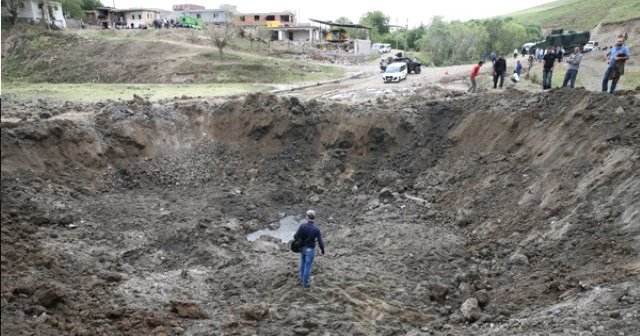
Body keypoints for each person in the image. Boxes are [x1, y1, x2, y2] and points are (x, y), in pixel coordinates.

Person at [293, 210, 325, 288]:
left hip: (302, 248)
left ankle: (302, 278)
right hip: (310, 249)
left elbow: (295, 236)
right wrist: (322, 250)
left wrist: (300, 241)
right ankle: (305, 283)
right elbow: (320, 241)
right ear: (314, 218)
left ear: (307, 217)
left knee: (303, 263)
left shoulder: (302, 226)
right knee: (308, 266)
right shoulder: (316, 229)